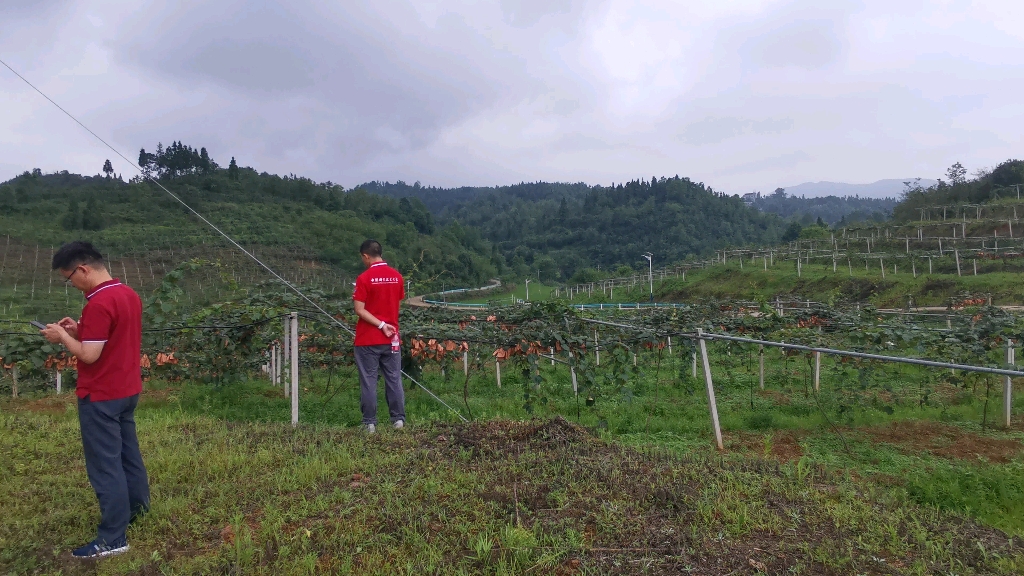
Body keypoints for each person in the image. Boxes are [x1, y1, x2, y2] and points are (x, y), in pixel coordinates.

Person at [39, 241, 149, 559]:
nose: (70, 284)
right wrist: (79, 329)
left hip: (101, 394)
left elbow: (89, 354)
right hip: (128, 389)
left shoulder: (98, 303)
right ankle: (138, 511)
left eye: (69, 277)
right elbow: (112, 337)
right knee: (129, 455)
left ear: (83, 269)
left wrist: (63, 338)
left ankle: (113, 538)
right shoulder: (128, 294)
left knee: (105, 466)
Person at [352, 239, 406, 433]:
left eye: (362, 258)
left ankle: (370, 423)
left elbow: (360, 309)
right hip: (392, 339)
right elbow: (396, 300)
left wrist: (380, 324)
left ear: (366, 256)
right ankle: (398, 420)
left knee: (369, 380)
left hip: (368, 339)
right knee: (393, 378)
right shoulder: (397, 277)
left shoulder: (364, 278)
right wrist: (387, 323)